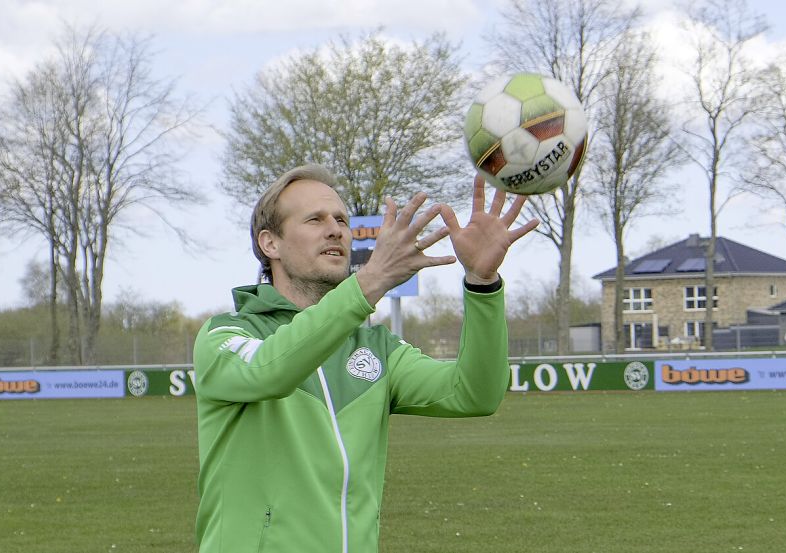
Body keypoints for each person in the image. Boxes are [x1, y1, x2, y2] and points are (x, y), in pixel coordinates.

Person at [192, 163, 537, 552]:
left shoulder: (374, 348)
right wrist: (369, 283)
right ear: (270, 243)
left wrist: (482, 284)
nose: (335, 229)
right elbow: (269, 370)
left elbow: (475, 393)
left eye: (341, 218)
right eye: (314, 219)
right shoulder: (224, 335)